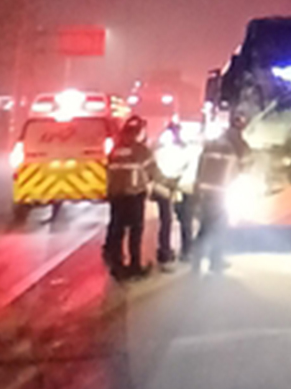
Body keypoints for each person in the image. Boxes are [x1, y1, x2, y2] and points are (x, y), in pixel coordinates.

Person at [193, 115, 249, 273]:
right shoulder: (233, 148)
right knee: (219, 229)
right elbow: (237, 171)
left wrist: (197, 190)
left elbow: (199, 169)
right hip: (220, 193)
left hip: (204, 192)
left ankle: (196, 262)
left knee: (204, 227)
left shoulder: (210, 146)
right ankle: (215, 262)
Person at [105, 116, 156, 280]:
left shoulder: (115, 150)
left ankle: (117, 266)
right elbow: (153, 171)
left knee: (117, 230)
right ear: (138, 132)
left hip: (116, 196)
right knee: (135, 231)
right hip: (134, 195)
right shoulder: (140, 150)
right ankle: (135, 266)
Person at [151, 121, 192, 270]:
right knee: (184, 219)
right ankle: (186, 251)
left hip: (163, 189)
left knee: (166, 221)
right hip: (179, 188)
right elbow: (187, 169)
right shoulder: (185, 151)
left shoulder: (158, 150)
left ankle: (165, 252)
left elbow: (154, 170)